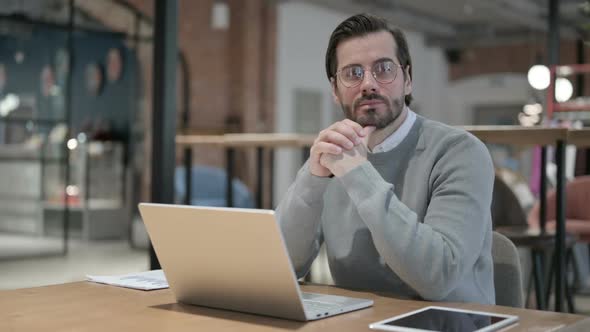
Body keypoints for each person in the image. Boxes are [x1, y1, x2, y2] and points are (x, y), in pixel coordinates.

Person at [276, 13, 495, 304]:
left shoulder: (460, 152)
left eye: (383, 69)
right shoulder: (335, 154)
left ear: (407, 81)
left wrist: (357, 173)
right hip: (360, 321)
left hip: (448, 323)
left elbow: (438, 277)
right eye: (352, 73)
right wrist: (312, 182)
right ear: (335, 90)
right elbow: (284, 267)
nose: (368, 84)